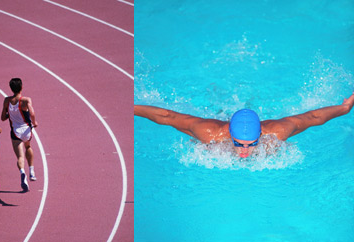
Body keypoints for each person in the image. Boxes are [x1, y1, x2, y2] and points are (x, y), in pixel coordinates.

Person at [134, 92, 354, 158]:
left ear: (260, 135)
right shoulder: (209, 132)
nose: (245, 153)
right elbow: (167, 116)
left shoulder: (277, 132)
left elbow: (313, 118)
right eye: (239, 144)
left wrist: (344, 109)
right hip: (219, 125)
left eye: (252, 144)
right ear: (230, 134)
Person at [1, 78, 38, 192]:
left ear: (11, 88)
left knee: (20, 157)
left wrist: (11, 115)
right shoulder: (26, 100)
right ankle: (31, 171)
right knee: (28, 147)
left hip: (15, 132)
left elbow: (2, 118)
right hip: (26, 130)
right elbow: (31, 112)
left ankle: (23, 172)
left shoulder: (7, 100)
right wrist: (35, 122)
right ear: (22, 87)